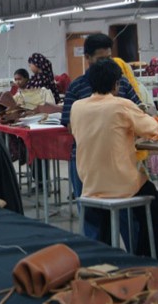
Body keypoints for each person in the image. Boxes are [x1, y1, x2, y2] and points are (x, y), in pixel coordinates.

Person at [71, 59, 158, 260]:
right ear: (117, 84)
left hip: (89, 183)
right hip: (121, 184)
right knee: (154, 200)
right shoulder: (122, 105)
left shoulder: (77, 107)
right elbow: (157, 132)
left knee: (103, 214)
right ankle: (149, 257)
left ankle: (105, 259)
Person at [61, 33, 145, 239]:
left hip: (120, 161)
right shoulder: (77, 87)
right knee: (93, 221)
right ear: (87, 58)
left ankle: (136, 263)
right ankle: (100, 265)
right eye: (101, 59)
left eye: (109, 58)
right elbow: (71, 126)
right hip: (86, 163)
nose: (106, 63)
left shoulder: (122, 83)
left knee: (128, 218)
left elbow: (140, 111)